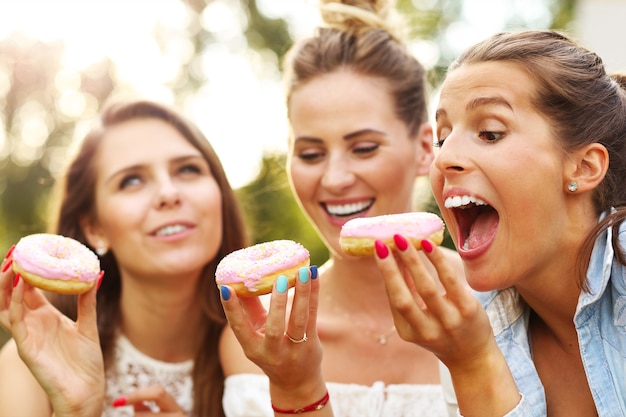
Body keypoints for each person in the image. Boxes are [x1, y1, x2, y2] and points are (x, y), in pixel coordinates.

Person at [223, 29, 626, 417]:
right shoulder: (476, 326)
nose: (445, 157)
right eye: (444, 138)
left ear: (585, 166)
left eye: (489, 133)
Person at [218, 1, 464, 416]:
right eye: (311, 154)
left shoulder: (503, 305)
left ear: (426, 148)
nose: (334, 179)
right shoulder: (261, 339)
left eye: (364, 148)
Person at [0, 98, 248, 417]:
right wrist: (76, 411)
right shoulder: (32, 363)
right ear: (95, 228)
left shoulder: (279, 349)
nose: (169, 193)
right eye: (131, 180)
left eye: (188, 169)